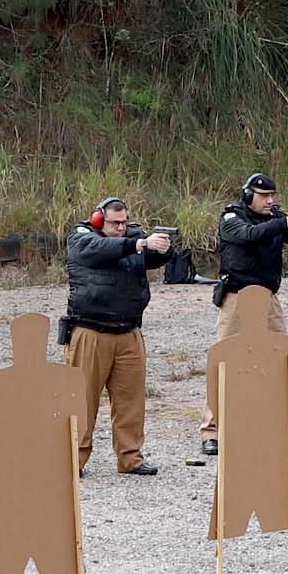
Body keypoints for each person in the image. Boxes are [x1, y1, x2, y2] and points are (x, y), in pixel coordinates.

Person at [200, 174, 288, 451]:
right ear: (248, 196)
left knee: (279, 358)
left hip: (268, 297)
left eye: (272, 196)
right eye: (264, 196)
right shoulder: (232, 217)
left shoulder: (275, 217)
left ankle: (272, 425)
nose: (270, 201)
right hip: (237, 296)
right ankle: (212, 431)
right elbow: (249, 235)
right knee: (225, 361)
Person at [64, 198, 173, 475]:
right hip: (91, 331)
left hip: (129, 331)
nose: (121, 228)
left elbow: (152, 258)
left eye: (124, 222)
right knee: (81, 401)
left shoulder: (133, 238)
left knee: (131, 402)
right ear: (100, 220)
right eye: (115, 223)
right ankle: (72, 459)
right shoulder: (82, 237)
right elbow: (99, 249)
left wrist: (162, 249)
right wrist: (139, 244)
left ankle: (130, 458)